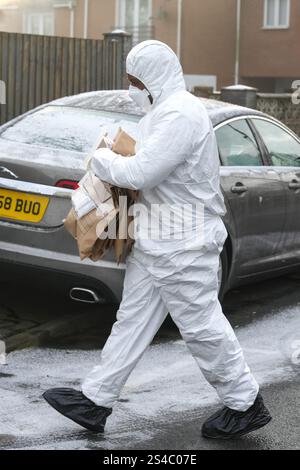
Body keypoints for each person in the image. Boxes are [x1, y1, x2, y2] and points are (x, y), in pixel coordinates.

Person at [43, 40, 272, 439]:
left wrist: (100, 159)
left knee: (202, 327)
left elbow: (141, 173)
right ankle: (96, 399)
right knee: (131, 320)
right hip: (158, 238)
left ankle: (244, 402)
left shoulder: (181, 114)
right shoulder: (162, 112)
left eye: (135, 81)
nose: (131, 88)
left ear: (153, 78)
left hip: (183, 242)